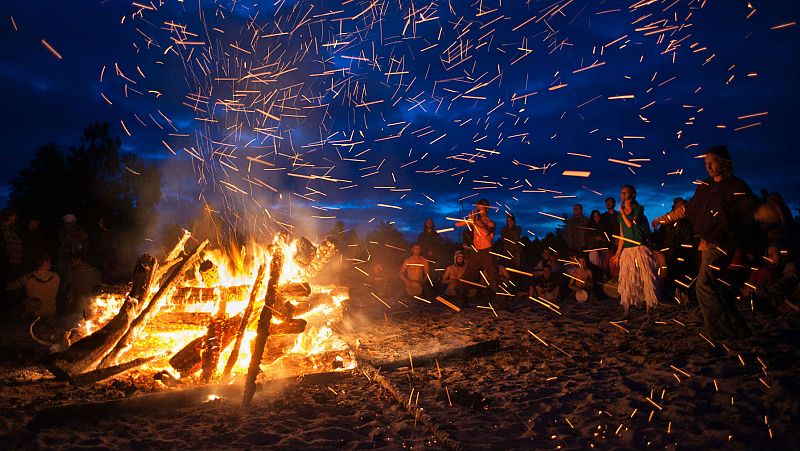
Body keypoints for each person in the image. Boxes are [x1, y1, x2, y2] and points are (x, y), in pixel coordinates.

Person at [653, 145, 779, 340]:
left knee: (703, 286)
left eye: (712, 162)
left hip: (723, 244)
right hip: (708, 244)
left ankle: (719, 332)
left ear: (724, 163)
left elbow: (752, 211)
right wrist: (663, 219)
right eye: (706, 163)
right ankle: (739, 330)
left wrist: (771, 214)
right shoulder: (705, 186)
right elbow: (687, 209)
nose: (709, 166)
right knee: (717, 288)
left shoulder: (736, 187)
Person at [610, 185, 659, 317]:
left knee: (645, 277)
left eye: (625, 192)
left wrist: (621, 212)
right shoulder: (620, 215)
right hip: (627, 250)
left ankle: (649, 307)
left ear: (633, 195)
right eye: (621, 192)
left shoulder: (638, 210)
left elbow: (630, 224)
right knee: (627, 279)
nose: (623, 195)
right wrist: (617, 254)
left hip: (640, 248)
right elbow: (621, 236)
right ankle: (626, 310)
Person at [455, 199, 503, 309]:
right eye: (478, 207)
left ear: (487, 209)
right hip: (476, 253)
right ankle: (464, 302)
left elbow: (485, 233)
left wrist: (474, 222)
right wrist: (469, 221)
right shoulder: (474, 220)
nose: (480, 209)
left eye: (482, 207)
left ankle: (504, 305)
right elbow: (457, 224)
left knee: (495, 278)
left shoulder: (490, 223)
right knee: (466, 277)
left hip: (487, 252)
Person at [5, 254, 60, 319]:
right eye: (49, 263)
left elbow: (9, 287)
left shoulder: (26, 278)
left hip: (33, 316)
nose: (51, 265)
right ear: (45, 264)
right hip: (50, 314)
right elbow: (55, 293)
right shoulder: (56, 277)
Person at [62, 252, 102, 320]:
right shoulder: (96, 272)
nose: (72, 264)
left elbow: (65, 288)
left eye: (72, 261)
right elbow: (99, 287)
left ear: (79, 260)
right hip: (91, 304)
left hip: (77, 305)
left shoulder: (73, 273)